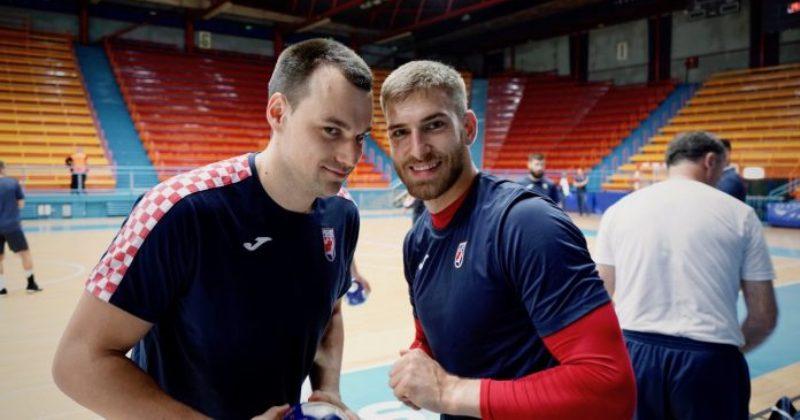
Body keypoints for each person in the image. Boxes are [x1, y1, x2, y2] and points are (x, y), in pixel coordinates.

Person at [52, 38, 373, 419]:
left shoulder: (342, 214)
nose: (350, 157)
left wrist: (327, 390)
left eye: (360, 137)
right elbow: (78, 362)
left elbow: (330, 312)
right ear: (278, 112)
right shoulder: (179, 210)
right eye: (332, 130)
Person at [382, 60, 635, 419]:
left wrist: (448, 392)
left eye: (434, 125)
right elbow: (431, 339)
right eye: (400, 133)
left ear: (468, 128)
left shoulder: (526, 225)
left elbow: (609, 387)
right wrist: (417, 361)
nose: (418, 149)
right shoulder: (417, 241)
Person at [595, 131, 778, 420]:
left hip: (634, 354)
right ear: (710, 161)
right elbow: (763, 316)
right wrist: (726, 350)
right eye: (723, 167)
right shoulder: (740, 215)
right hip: (710, 356)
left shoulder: (618, 211)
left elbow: (599, 298)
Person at [0, 161, 42, 295]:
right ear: (2, 169)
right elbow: (21, 203)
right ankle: (31, 284)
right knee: (25, 253)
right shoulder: (12, 183)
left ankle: (1, 287)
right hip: (12, 225)